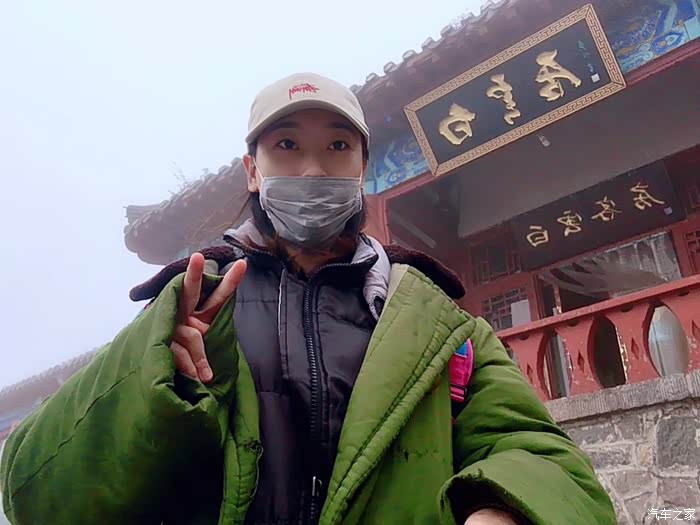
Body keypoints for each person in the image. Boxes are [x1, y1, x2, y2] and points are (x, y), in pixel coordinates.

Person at [0, 73, 616, 525]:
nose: (314, 170)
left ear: (362, 168)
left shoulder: (441, 326)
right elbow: (37, 494)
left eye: (338, 147)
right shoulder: (190, 308)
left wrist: (502, 505)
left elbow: (542, 456)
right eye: (287, 146)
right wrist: (153, 378)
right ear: (252, 169)